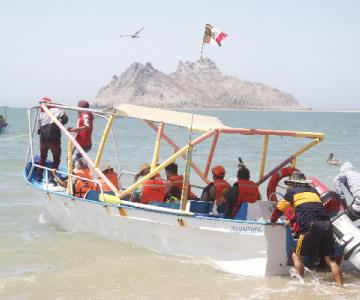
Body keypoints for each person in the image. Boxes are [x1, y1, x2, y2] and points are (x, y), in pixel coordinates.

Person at [271, 171, 343, 287]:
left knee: (296, 256)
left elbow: (279, 208)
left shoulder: (292, 192)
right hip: (326, 224)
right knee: (329, 259)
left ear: (293, 183)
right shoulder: (314, 191)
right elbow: (310, 208)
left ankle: (300, 287)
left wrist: (273, 220)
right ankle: (341, 287)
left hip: (310, 225)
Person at [36, 97, 68, 182]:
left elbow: (39, 130)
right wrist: (60, 123)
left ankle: (38, 176)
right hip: (54, 140)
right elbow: (65, 119)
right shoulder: (56, 110)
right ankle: (51, 177)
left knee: (42, 157)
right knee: (56, 159)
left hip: (43, 140)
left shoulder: (40, 115)